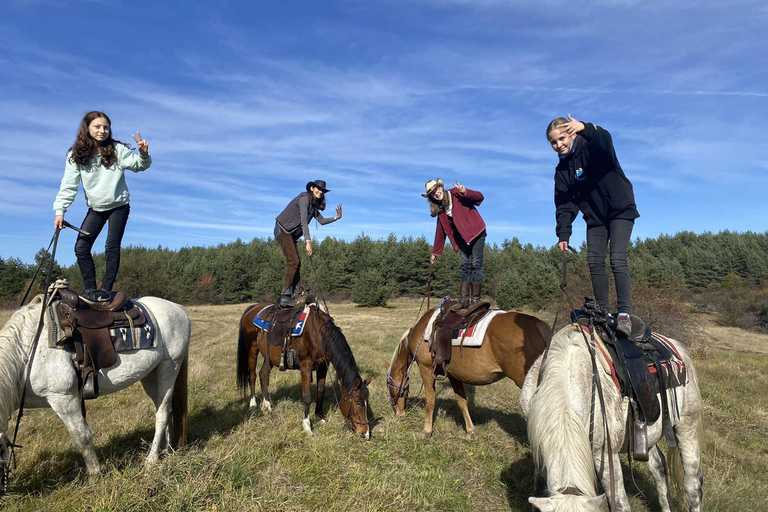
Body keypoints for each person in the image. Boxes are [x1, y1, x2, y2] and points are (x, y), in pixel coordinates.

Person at [547, 114, 639, 336]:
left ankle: (624, 315)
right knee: (594, 261)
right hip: (595, 217)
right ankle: (603, 311)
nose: (559, 145)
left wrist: (586, 128)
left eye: (562, 138)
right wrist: (563, 233)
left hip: (619, 209)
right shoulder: (562, 171)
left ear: (572, 133)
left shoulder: (592, 146)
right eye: (553, 142)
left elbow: (605, 141)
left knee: (617, 259)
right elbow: (564, 203)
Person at [53, 111, 151, 304]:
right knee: (81, 247)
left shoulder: (117, 149)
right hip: (96, 208)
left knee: (111, 247)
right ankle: (90, 289)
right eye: (97, 127)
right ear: (87, 128)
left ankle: (105, 290)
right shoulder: (76, 155)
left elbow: (139, 165)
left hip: (119, 206)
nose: (102, 130)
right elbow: (68, 185)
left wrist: (143, 154)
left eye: (106, 127)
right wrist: (60, 211)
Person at [274, 179, 342, 307]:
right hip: (282, 230)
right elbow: (304, 221)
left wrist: (336, 218)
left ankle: (298, 292)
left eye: (322, 191)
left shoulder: (313, 205)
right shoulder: (304, 199)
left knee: (296, 263)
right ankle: (285, 295)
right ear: (312, 188)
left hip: (290, 234)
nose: (320, 192)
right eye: (318, 189)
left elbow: (321, 221)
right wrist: (308, 241)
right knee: (293, 261)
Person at [424, 178, 487, 309]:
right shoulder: (441, 210)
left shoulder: (456, 194)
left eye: (437, 189)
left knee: (476, 264)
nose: (436, 193)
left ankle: (476, 300)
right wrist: (435, 252)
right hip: (463, 238)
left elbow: (480, 197)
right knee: (465, 266)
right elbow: (440, 232)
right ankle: (464, 300)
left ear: (441, 187)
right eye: (432, 193)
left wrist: (465, 192)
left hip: (476, 232)